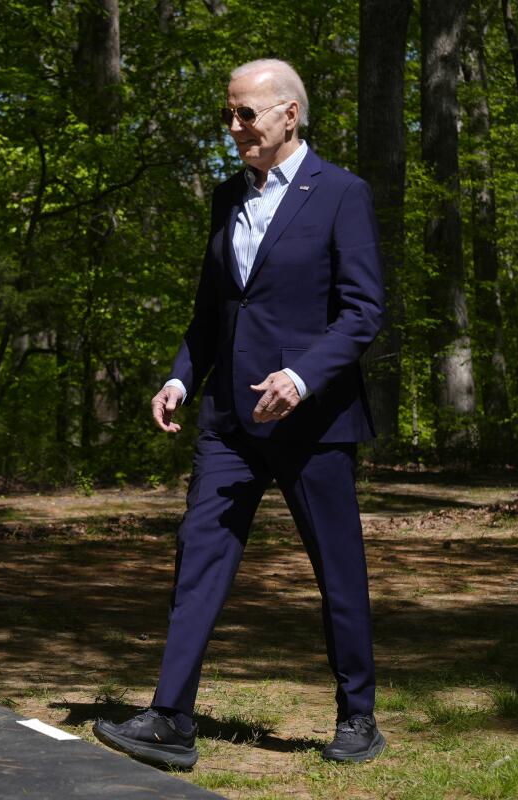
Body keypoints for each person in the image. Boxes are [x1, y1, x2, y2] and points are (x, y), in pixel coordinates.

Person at [93, 58, 386, 769]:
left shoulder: (342, 193)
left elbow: (363, 310)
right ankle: (171, 718)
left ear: (290, 114)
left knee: (337, 572)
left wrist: (301, 376)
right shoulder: (227, 197)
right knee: (198, 560)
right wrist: (179, 379)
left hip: (312, 422)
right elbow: (212, 310)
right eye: (228, 114)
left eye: (245, 114)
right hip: (228, 421)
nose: (234, 127)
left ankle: (358, 717)